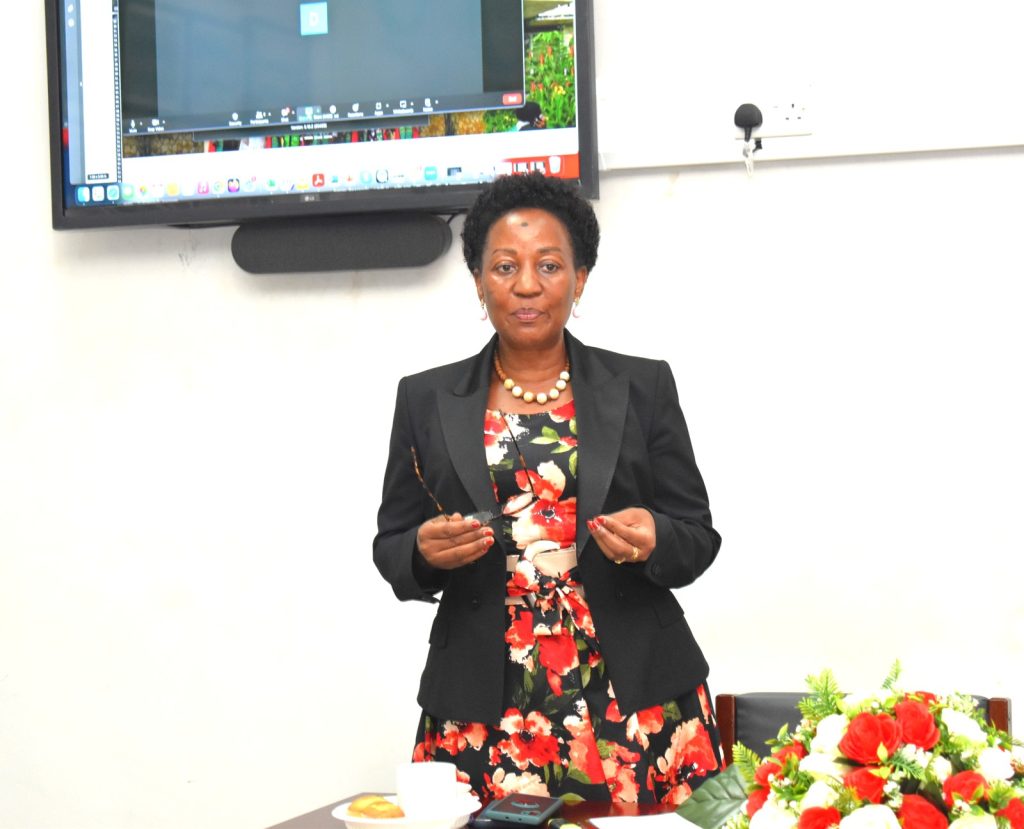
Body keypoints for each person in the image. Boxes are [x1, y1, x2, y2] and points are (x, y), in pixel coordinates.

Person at [373, 173, 722, 806]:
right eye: (504, 266)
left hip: (636, 698)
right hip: (483, 706)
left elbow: (696, 536)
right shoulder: (425, 398)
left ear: (580, 278)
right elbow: (392, 547)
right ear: (479, 281)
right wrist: (422, 552)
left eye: (550, 265)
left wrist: (654, 538)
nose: (527, 284)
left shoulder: (642, 387)